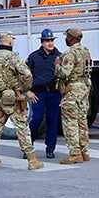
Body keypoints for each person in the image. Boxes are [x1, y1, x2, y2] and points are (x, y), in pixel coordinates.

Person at [0, 31, 44, 171]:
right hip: (14, 99)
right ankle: (32, 161)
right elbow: (27, 75)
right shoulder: (13, 57)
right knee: (22, 128)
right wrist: (23, 88)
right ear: (9, 41)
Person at [56, 28, 92, 164]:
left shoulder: (70, 53)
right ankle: (84, 152)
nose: (66, 39)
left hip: (72, 91)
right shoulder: (85, 51)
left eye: (67, 37)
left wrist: (57, 66)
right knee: (82, 121)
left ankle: (75, 153)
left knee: (70, 122)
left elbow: (64, 73)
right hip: (84, 89)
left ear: (71, 38)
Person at [26, 28, 62, 158]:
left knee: (52, 121)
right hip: (38, 94)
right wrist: (28, 91)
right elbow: (24, 75)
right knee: (37, 119)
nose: (50, 43)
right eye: (47, 41)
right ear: (42, 42)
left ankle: (50, 149)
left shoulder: (59, 56)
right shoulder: (34, 57)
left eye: (51, 40)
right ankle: (28, 147)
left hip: (54, 93)